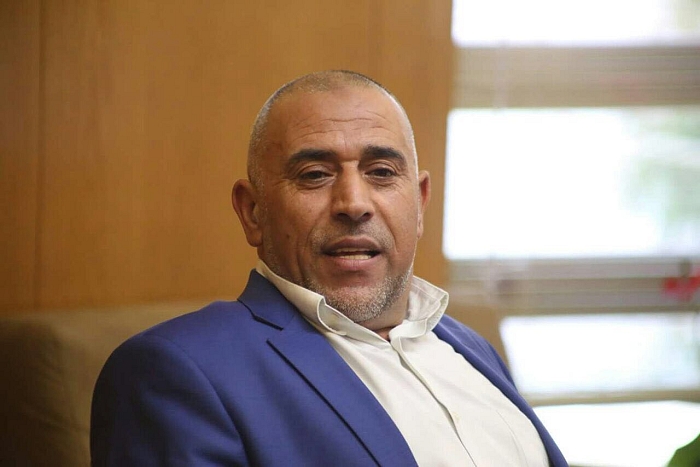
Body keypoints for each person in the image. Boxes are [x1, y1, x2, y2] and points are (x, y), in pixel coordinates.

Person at [90, 70, 568, 466]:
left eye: (382, 172)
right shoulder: (174, 370)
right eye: (314, 175)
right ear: (253, 212)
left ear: (420, 203)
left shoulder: (469, 346)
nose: (354, 204)